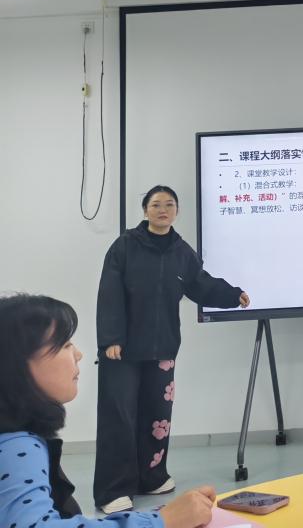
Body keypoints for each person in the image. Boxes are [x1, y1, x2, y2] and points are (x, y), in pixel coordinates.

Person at [94, 186, 250, 514]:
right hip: (121, 352)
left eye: (169, 204)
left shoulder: (181, 251)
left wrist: (232, 294)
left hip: (162, 348)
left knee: (157, 416)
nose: (163, 209)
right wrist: (111, 339)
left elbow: (201, 284)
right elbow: (109, 293)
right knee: (119, 418)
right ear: (145, 210)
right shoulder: (124, 246)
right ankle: (113, 490)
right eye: (155, 204)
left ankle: (151, 477)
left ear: (176, 211)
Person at [0, 293, 217, 528]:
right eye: (65, 344)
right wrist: (161, 521)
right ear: (17, 364)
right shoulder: (16, 445)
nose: (78, 354)